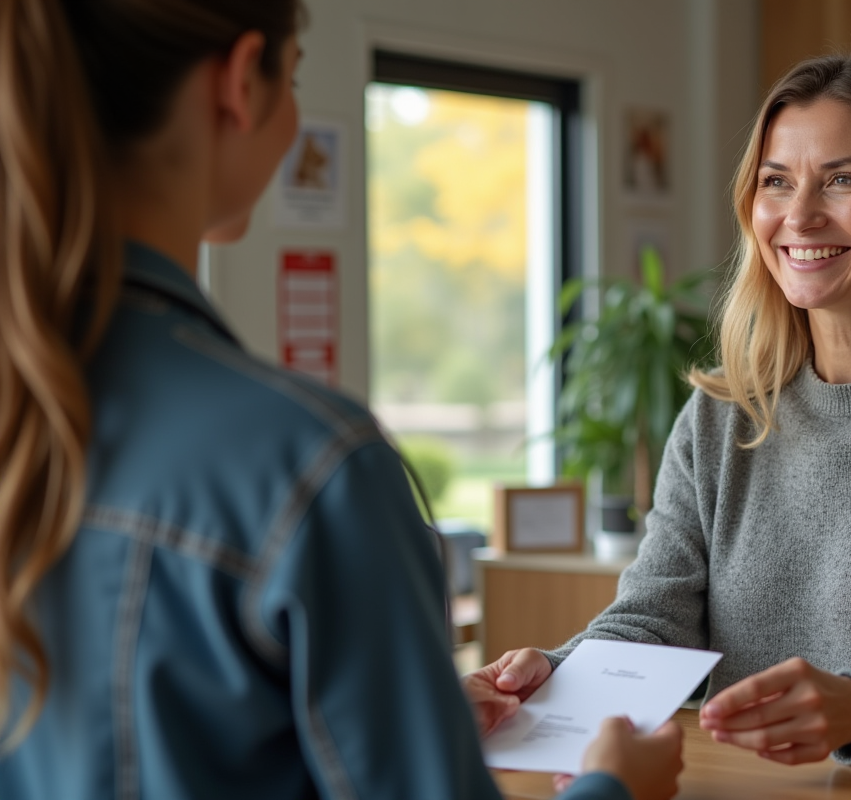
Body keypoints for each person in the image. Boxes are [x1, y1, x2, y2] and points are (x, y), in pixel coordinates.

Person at [0, 1, 683, 798]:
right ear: (238, 84)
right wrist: (613, 788)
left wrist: (409, 721)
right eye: (291, 78)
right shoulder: (308, 465)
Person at [465, 51, 851, 767]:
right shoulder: (721, 412)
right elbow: (654, 618)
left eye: (844, 179)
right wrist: (553, 673)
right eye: (776, 182)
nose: (800, 214)